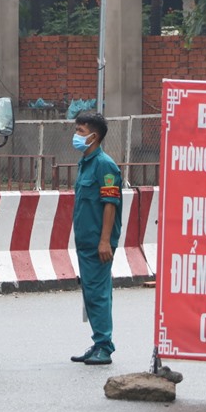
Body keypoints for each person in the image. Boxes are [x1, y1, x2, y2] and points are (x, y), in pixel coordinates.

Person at [69, 111, 122, 366]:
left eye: (80, 131)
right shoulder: (85, 162)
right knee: (92, 293)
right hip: (85, 241)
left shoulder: (105, 165)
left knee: (98, 294)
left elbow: (110, 204)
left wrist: (104, 241)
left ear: (94, 136)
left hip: (98, 243)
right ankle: (99, 342)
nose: (76, 136)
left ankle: (104, 346)